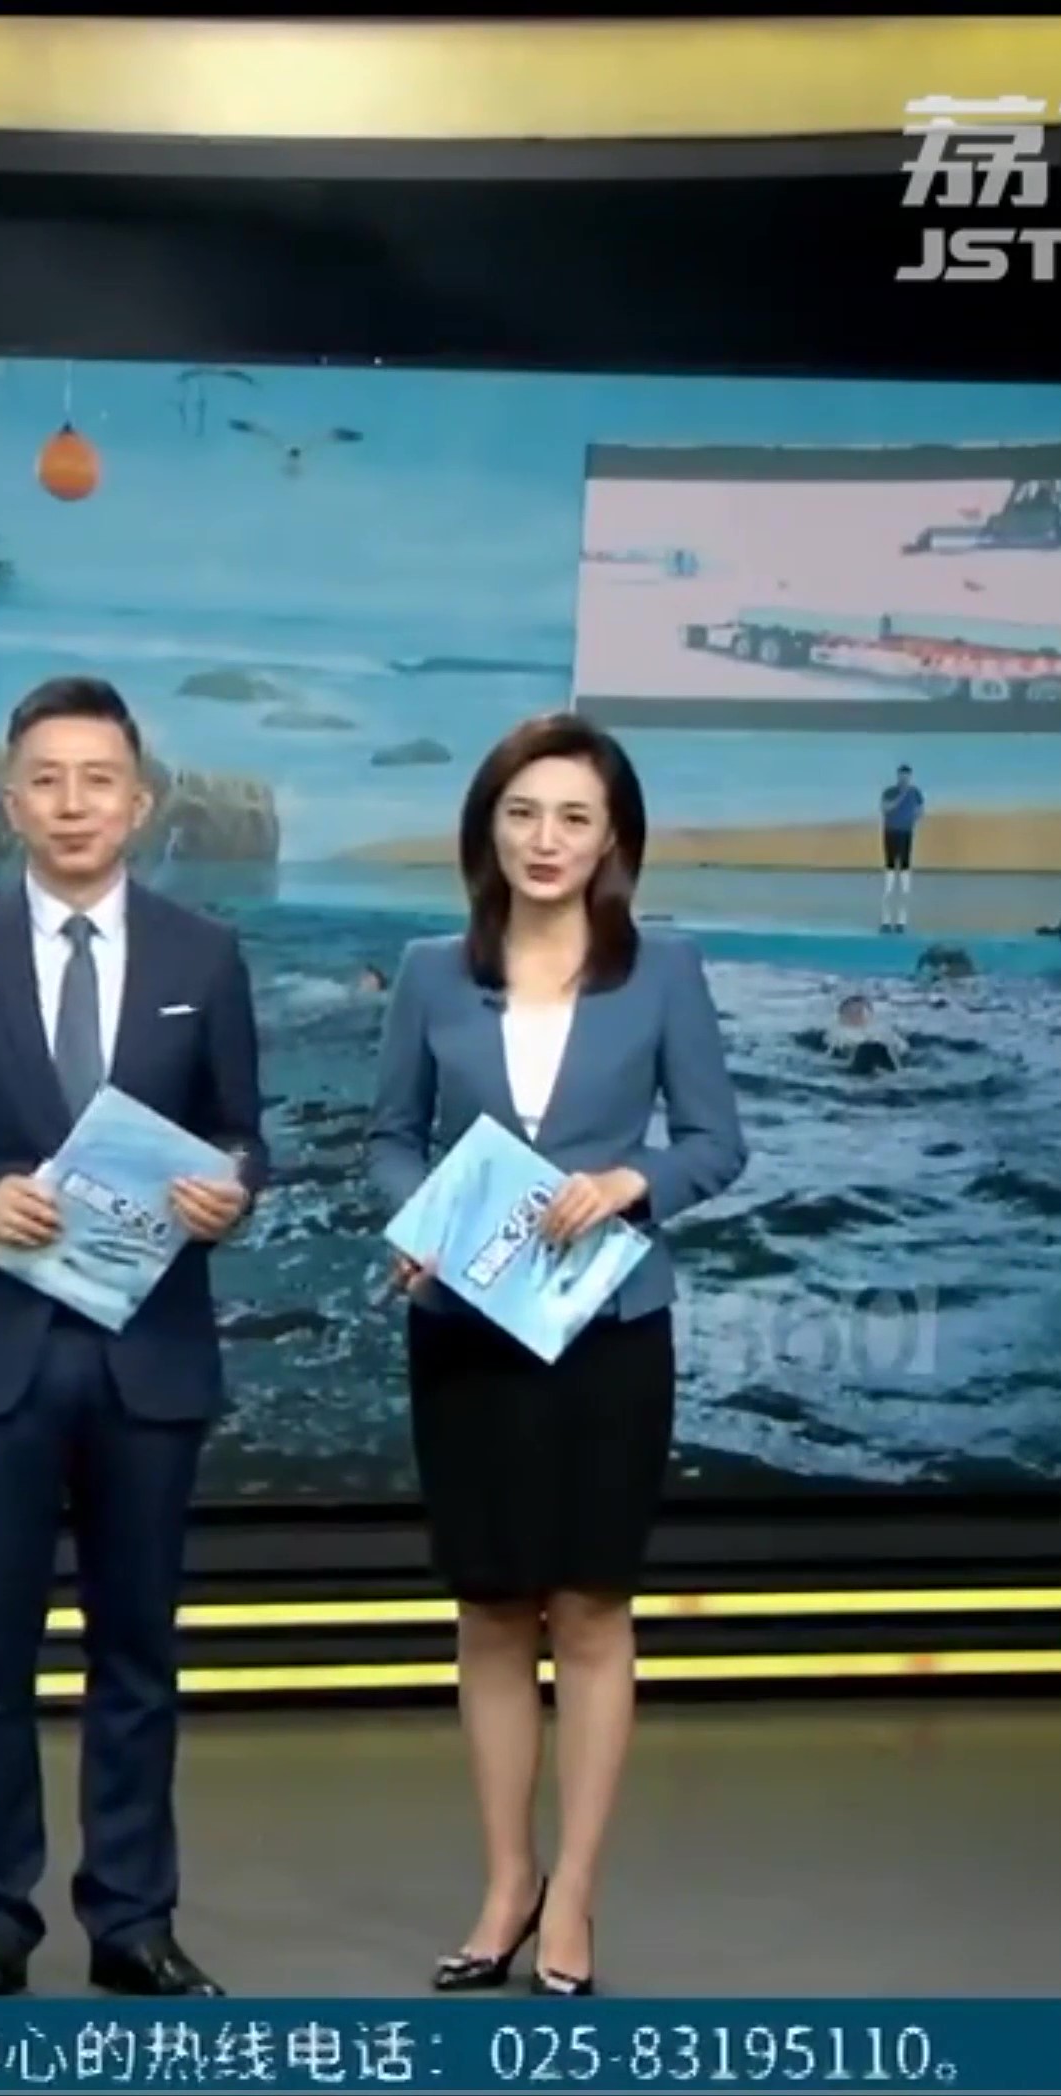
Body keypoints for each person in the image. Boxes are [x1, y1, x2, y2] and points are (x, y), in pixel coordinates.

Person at [0, 675, 270, 2001]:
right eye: (47, 779)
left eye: (98, 780)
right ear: (11, 802)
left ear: (140, 804)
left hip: (149, 1353)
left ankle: (134, 1923)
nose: (73, 803)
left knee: (137, 1654)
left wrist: (234, 1188)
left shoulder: (204, 957)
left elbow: (243, 1132)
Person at [366, 712, 748, 1999]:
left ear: (613, 839)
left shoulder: (663, 972)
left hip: (609, 1334)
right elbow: (391, 1138)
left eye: (574, 817)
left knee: (588, 1607)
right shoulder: (431, 972)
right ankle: (505, 1886)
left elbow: (717, 1142)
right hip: (465, 1331)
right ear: (487, 828)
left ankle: (573, 1894)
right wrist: (419, 1224)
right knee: (489, 1608)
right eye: (522, 812)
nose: (545, 839)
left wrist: (635, 1181)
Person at [878, 764, 925, 931]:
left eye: (907, 776)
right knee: (890, 870)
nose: (904, 779)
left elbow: (920, 810)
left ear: (910, 777)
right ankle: (885, 921)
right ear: (897, 776)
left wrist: (912, 818)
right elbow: (885, 808)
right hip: (891, 833)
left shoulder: (916, 792)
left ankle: (901, 922)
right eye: (901, 776)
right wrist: (901, 797)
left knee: (905, 867)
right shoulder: (889, 791)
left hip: (906, 833)